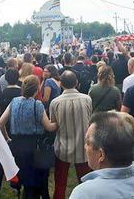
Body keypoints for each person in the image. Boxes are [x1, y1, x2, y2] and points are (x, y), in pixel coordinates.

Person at [0, 75, 57, 198]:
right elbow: (49, 127)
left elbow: (0, 123)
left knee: (24, 176)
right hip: (34, 147)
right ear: (37, 89)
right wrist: (59, 120)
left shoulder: (14, 102)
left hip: (17, 145)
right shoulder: (37, 105)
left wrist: (7, 138)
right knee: (36, 180)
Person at [50, 71, 92, 199]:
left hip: (63, 147)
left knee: (60, 184)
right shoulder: (87, 99)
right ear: (77, 83)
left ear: (61, 84)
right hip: (83, 147)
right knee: (85, 183)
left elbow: (54, 124)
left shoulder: (55, 102)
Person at [0, 68, 21, 196]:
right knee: (17, 158)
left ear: (6, 79)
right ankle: (15, 185)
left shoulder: (1, 93)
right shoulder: (21, 92)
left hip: (4, 127)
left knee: (1, 158)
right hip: (17, 128)